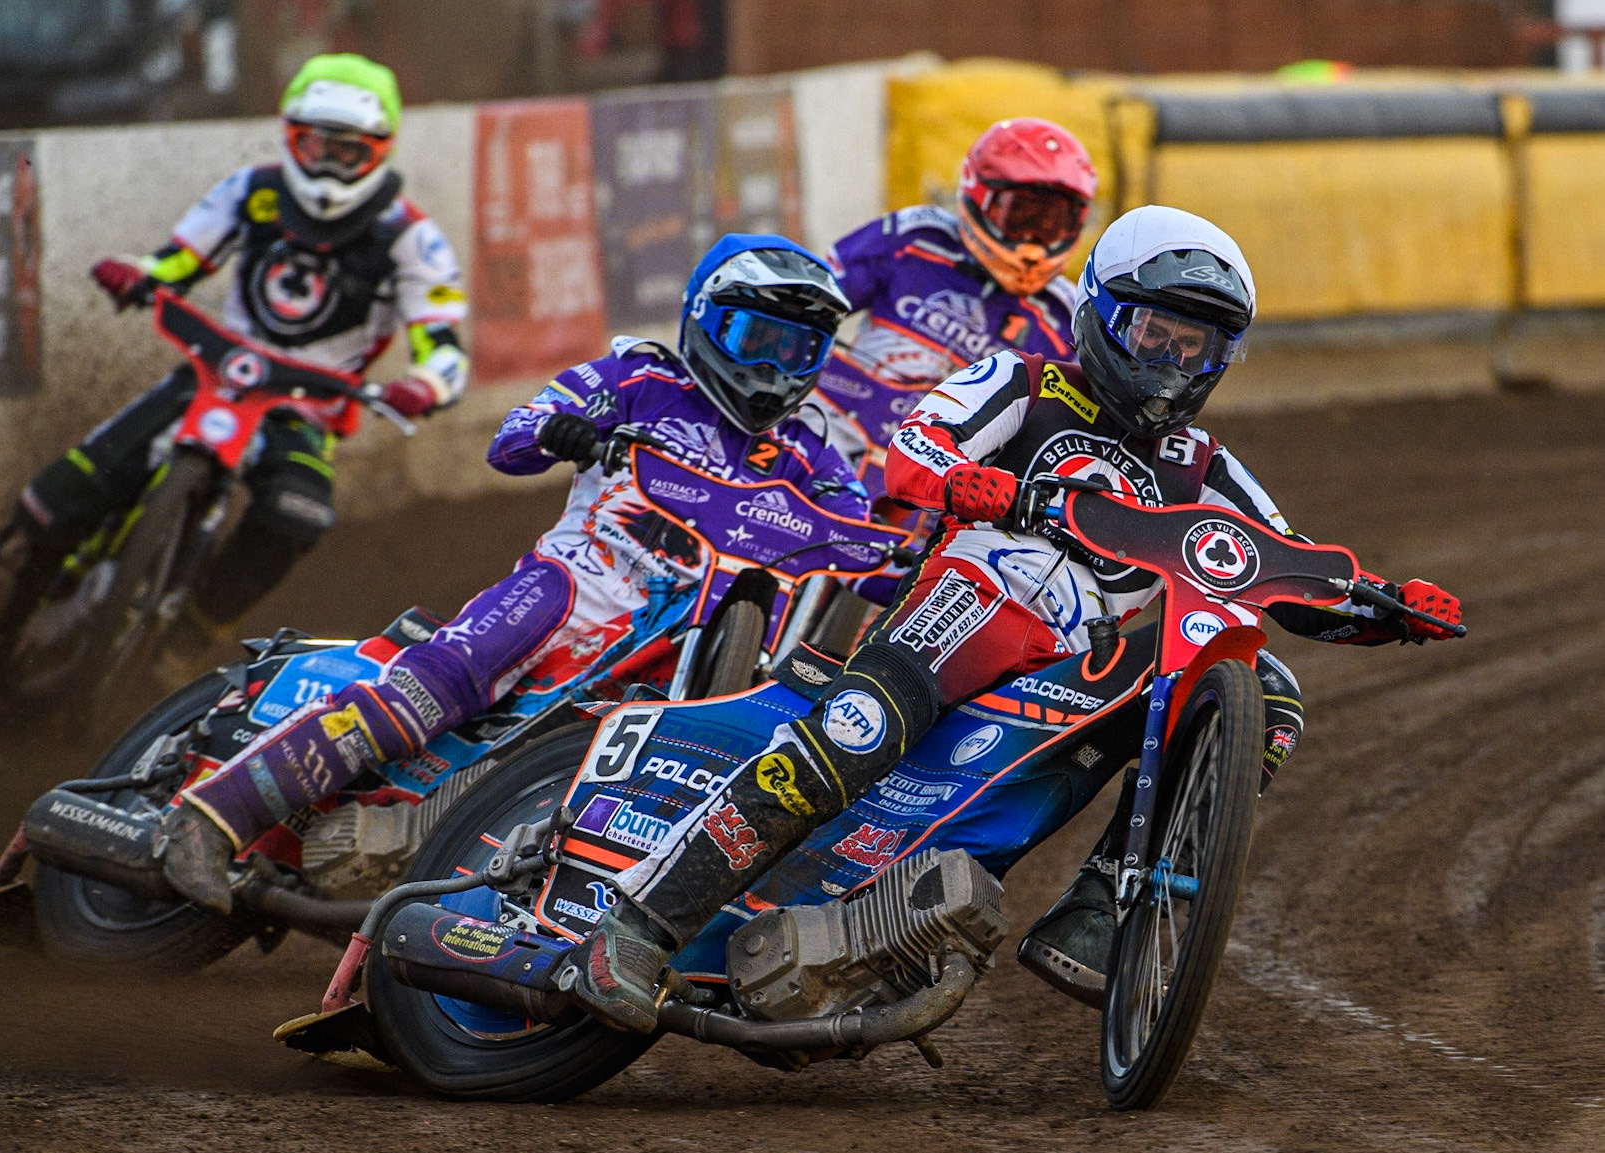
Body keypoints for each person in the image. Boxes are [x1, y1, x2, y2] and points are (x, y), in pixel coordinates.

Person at [562, 205, 1465, 1033]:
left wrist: (1385, 608)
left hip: (1081, 663)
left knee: (1266, 687)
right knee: (860, 728)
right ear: (1103, 315)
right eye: (1155, 332)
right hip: (974, 600)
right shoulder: (1026, 380)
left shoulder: (1202, 461)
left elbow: (1282, 564)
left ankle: (1103, 902)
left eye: (1196, 347)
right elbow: (914, 449)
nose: (1170, 362)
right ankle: (636, 930)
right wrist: (973, 483)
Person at [153, 234, 867, 915]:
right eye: (757, 339)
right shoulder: (641, 378)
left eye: (797, 349)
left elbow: (868, 539)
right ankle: (209, 819)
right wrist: (559, 429)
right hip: (575, 586)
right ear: (706, 320)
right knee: (442, 681)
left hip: (699, 641)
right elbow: (513, 438)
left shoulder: (812, 456)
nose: (773, 368)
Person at [0, 53, 470, 690]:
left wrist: (427, 384)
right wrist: (140, 275)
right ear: (290, 137)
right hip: (211, 377)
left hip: (304, 408)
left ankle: (189, 635)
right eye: (312, 146)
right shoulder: (251, 191)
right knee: (52, 500)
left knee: (298, 516)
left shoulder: (411, 239)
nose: (324, 165)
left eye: (345, 153)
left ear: (379, 151)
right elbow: (177, 260)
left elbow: (443, 342)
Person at [808, 118, 1097, 486]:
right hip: (832, 446)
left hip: (945, 489)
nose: (1031, 241)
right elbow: (811, 299)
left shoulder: (1066, 316)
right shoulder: (913, 239)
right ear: (979, 195)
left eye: (1050, 224)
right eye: (1019, 215)